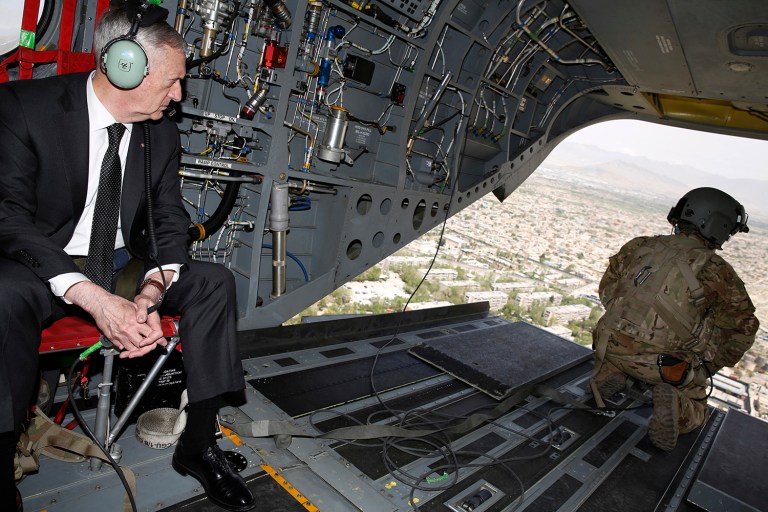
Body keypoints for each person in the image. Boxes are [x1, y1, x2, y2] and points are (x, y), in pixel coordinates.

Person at [0, 4, 255, 511]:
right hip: (44, 263)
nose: (179, 95)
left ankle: (199, 444)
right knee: (2, 294)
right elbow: (9, 220)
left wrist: (153, 288)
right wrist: (90, 297)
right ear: (124, 69)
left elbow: (167, 217)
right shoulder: (24, 107)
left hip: (119, 263)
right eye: (172, 82)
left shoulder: (159, 131)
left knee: (215, 283)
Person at [590, 187, 759, 452]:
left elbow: (608, 292)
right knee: (698, 404)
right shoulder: (718, 271)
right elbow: (744, 330)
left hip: (608, 346)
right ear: (718, 225)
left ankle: (609, 373)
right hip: (665, 368)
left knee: (626, 346)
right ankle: (680, 405)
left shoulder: (640, 246)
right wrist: (705, 368)